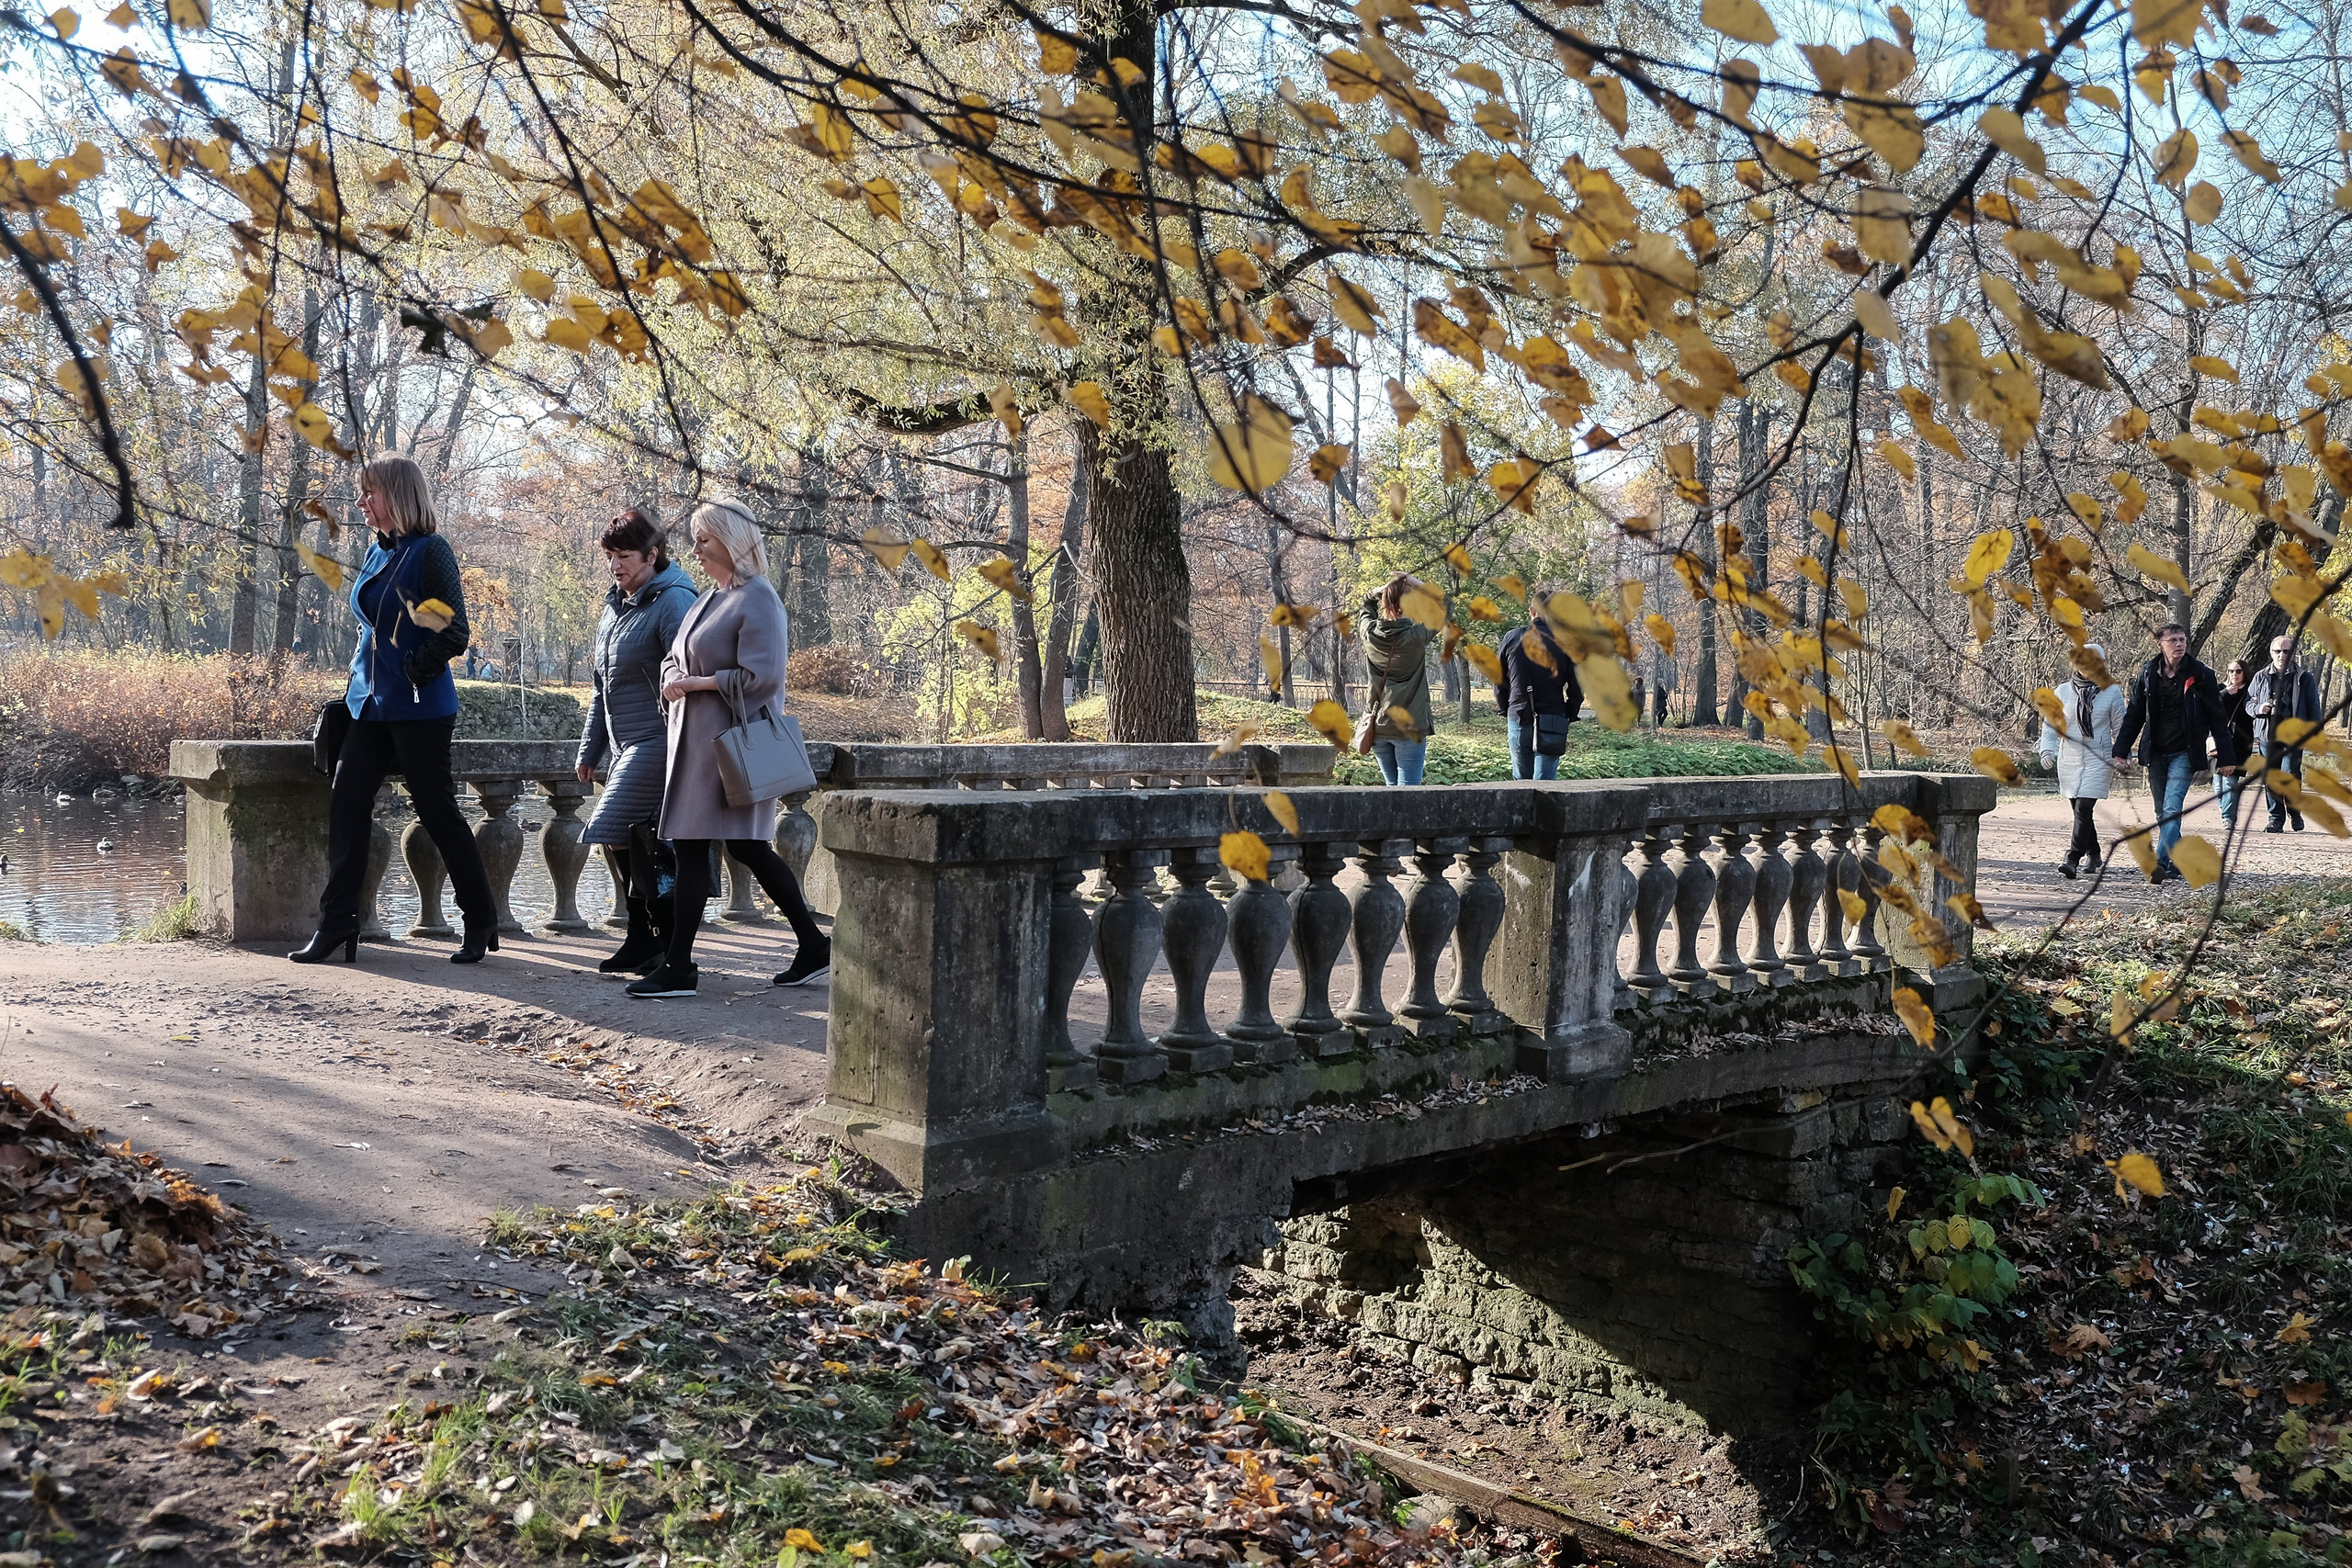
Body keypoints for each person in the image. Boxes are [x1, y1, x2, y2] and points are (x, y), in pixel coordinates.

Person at [292, 455, 500, 964]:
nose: (361, 502)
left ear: (398, 496)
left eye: (370, 493)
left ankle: (480, 919)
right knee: (346, 804)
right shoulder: (376, 551)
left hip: (420, 707)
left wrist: (411, 669)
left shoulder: (431, 552)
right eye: (360, 493)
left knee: (436, 810)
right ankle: (338, 923)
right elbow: (370, 627)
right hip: (368, 706)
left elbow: (454, 631)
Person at [628, 500, 830, 999]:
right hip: (697, 746)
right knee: (723, 846)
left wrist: (694, 684)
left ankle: (680, 968)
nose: (695, 550)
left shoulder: (759, 598)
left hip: (728, 746)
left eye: (704, 540)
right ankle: (810, 946)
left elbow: (764, 677)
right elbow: (674, 657)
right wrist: (673, 677)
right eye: (695, 539)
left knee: (722, 846)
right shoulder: (709, 598)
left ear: (731, 542)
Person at [574, 507, 695, 975]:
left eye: (625, 555)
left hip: (661, 740)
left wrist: (682, 745)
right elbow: (601, 687)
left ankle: (657, 937)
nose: (616, 565)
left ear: (653, 554)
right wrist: (590, 749)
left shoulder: (674, 601)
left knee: (611, 828)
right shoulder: (614, 610)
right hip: (626, 743)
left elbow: (685, 674)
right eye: (610, 556)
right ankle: (647, 938)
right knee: (633, 840)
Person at [2110, 622, 2240, 883]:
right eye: (2173, 640)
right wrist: (2121, 751)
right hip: (2156, 751)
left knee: (2172, 809)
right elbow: (2135, 714)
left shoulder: (2201, 674)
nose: (2179, 644)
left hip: (2185, 751)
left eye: (2182, 640)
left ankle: (2157, 863)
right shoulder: (2149, 672)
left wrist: (2227, 758)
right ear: (2160, 644)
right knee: (2162, 813)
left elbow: (2217, 718)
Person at [2036, 642, 2128, 879]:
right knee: (2079, 811)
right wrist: (2047, 750)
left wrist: (2122, 755)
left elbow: (2121, 728)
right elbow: (2050, 725)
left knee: (2084, 807)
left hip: (2099, 756)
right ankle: (2094, 853)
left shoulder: (2112, 692)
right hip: (2070, 757)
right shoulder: (2063, 691)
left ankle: (2072, 858)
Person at [1360, 574, 1438, 785]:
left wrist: (1381, 590)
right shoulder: (1416, 637)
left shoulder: (1369, 634)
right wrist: (1416, 582)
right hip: (1409, 729)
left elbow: (1365, 603)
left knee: (1391, 790)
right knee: (1408, 793)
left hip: (1378, 726)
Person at [2247, 632, 2322, 833]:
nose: (2282, 655)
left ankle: (2294, 811)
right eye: (2278, 651)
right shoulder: (2260, 677)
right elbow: (2248, 704)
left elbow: (2314, 708)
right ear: (2271, 653)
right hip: (2267, 736)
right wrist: (2258, 709)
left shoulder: (2304, 678)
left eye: (2286, 651)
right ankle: (2275, 819)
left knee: (2290, 775)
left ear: (2293, 653)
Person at [1495, 607, 1577, 780]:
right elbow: (1577, 686)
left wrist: (1506, 708)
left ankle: (1522, 807)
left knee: (1521, 782)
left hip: (1518, 714)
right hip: (1553, 718)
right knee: (1545, 782)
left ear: (1532, 611)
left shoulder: (1512, 637)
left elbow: (1498, 680)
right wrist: (1569, 713)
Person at [2214, 657, 2255, 831]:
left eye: (2238, 671)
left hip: (2240, 741)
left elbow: (2253, 710)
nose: (2234, 674)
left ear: (2244, 673)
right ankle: (2227, 813)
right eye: (2231, 671)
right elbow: (2209, 707)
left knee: (2230, 781)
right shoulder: (2219, 689)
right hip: (2218, 740)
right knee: (2217, 783)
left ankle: (2227, 818)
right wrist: (2225, 694)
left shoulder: (2250, 691)